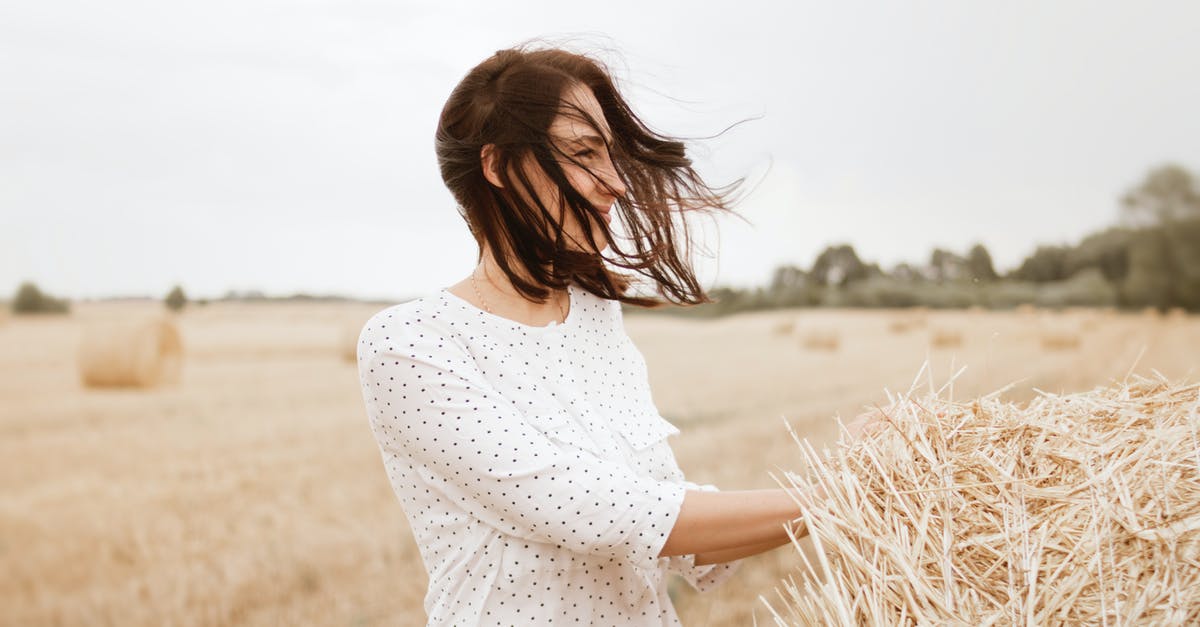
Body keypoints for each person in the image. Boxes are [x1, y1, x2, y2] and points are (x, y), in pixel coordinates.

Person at [356, 43, 822, 626]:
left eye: (611, 157)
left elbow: (678, 535)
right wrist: (838, 494)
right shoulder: (411, 343)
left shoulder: (596, 316)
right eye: (583, 153)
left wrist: (841, 476)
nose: (616, 185)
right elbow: (603, 514)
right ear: (498, 166)